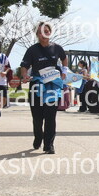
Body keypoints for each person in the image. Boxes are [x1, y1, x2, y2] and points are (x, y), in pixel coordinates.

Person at [20, 22, 67, 154]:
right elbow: (24, 65)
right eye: (41, 32)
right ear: (37, 34)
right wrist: (24, 75)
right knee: (37, 117)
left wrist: (64, 71)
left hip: (53, 86)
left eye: (46, 31)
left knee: (50, 116)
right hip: (37, 85)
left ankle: (49, 145)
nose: (44, 34)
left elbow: (64, 59)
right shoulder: (32, 50)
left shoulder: (57, 48)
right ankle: (38, 137)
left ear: (50, 32)